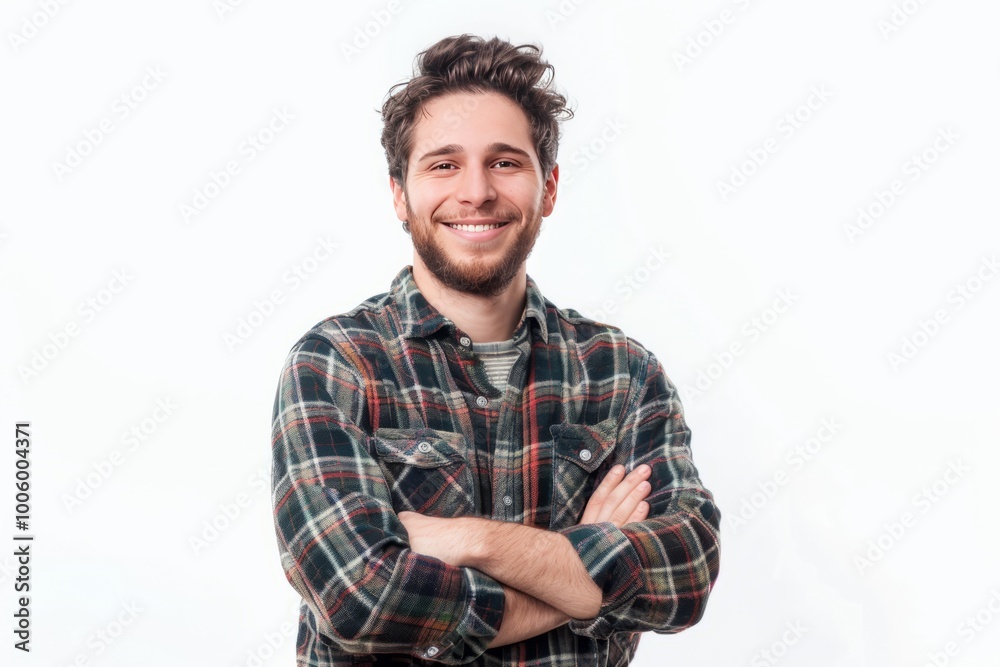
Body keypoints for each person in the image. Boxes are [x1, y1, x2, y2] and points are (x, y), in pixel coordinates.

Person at [270, 33, 721, 667]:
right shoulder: (336, 364)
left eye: (505, 162)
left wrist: (470, 541)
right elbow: (360, 600)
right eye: (443, 164)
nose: (476, 192)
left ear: (550, 188)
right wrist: (584, 575)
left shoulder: (623, 372)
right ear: (400, 193)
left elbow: (686, 572)